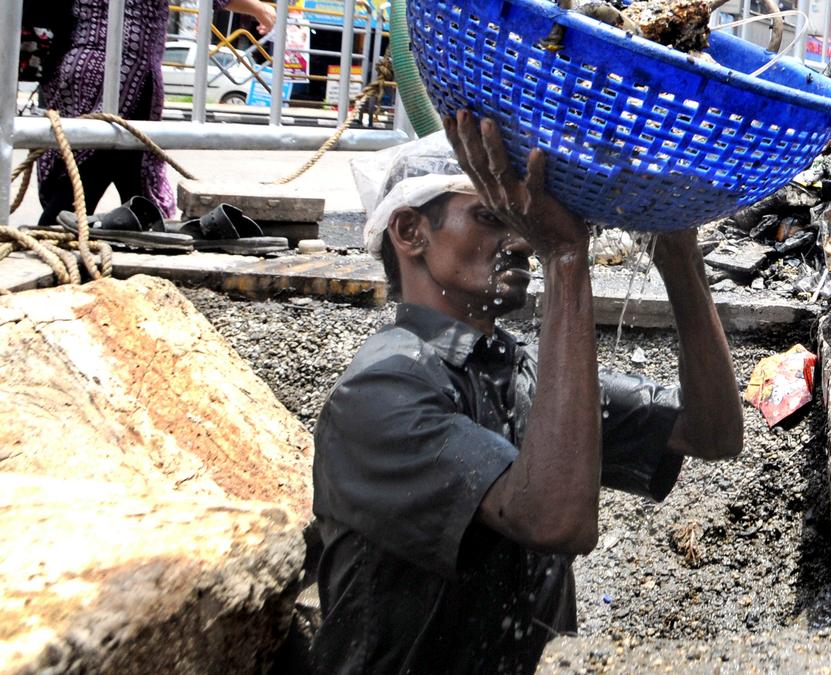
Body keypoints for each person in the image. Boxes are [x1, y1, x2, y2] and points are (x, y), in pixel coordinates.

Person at [311, 111, 745, 674]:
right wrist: (565, 258)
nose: (520, 240)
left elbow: (710, 432)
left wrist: (680, 256)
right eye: (493, 216)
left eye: (523, 221)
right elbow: (553, 520)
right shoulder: (380, 390)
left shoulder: (520, 369)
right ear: (410, 231)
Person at [36, 0, 276, 225]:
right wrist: (259, 8)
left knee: (126, 166)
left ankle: (146, 226)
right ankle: (52, 230)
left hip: (77, 62)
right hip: (122, 68)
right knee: (96, 163)